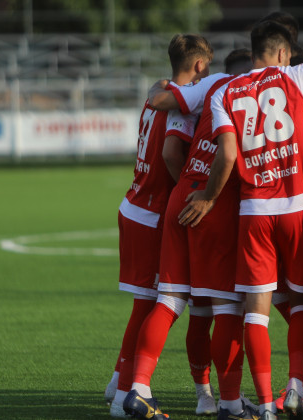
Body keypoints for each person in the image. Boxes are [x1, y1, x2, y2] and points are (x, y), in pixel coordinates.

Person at [179, 20, 303, 420]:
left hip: (255, 211)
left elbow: (228, 155)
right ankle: (297, 387)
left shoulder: (226, 91)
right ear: (284, 52)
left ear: (252, 52)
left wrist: (208, 196)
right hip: (298, 207)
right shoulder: (298, 75)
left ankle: (266, 404)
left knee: (255, 310)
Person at [146, 48, 260, 420]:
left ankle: (152, 389)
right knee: (229, 307)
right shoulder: (252, 91)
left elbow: (169, 146)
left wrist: (188, 187)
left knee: (183, 303)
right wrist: (208, 195)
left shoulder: (206, 88)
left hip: (185, 194)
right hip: (217, 202)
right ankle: (231, 400)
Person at [118, 34, 214, 420]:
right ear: (200, 66)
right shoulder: (182, 101)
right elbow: (172, 153)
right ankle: (127, 392)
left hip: (138, 203)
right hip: (154, 210)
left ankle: (120, 383)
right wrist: (190, 191)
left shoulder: (157, 92)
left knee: (149, 305)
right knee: (160, 304)